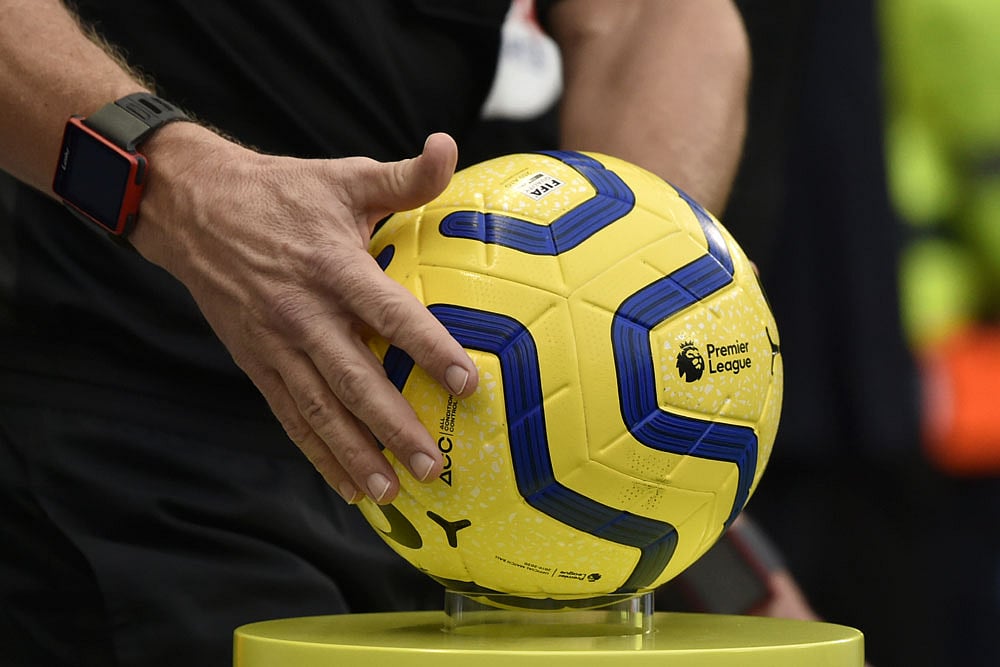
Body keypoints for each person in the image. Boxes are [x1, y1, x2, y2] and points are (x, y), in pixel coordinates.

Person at [0, 1, 752, 665]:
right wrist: (177, 188)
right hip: (123, 444)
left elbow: (654, 14)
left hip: (437, 477)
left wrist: (613, 329)